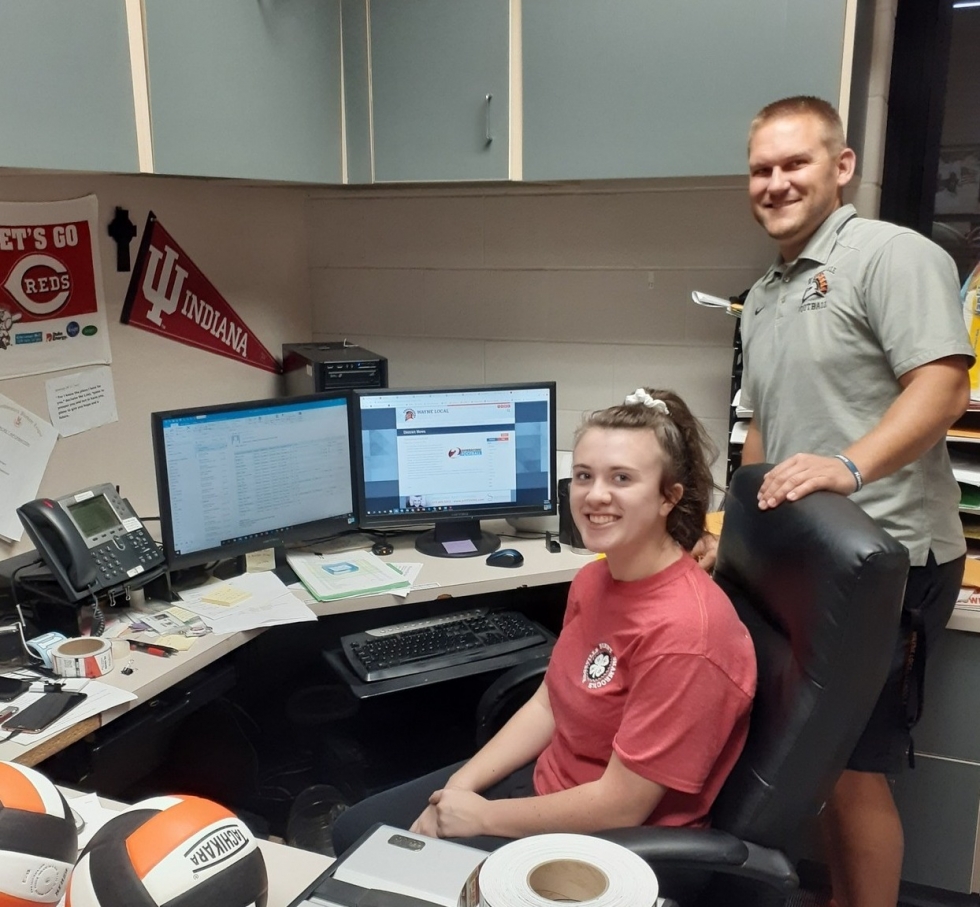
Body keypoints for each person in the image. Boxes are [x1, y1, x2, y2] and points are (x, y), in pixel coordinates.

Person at [331, 388, 757, 860]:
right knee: (356, 832)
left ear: (667, 498)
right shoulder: (596, 577)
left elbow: (623, 806)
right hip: (546, 787)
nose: (596, 495)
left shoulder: (687, 636)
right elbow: (549, 704)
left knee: (380, 862)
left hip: (615, 844)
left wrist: (481, 818)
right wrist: (459, 788)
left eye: (622, 478)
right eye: (583, 476)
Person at [729, 96, 974, 907]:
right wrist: (733, 533)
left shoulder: (891, 256)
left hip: (889, 560)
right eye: (762, 168)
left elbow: (940, 388)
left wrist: (848, 465)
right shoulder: (764, 292)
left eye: (794, 163)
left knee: (856, 768)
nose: (775, 182)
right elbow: (765, 421)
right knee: (820, 763)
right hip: (808, 561)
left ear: (842, 168)